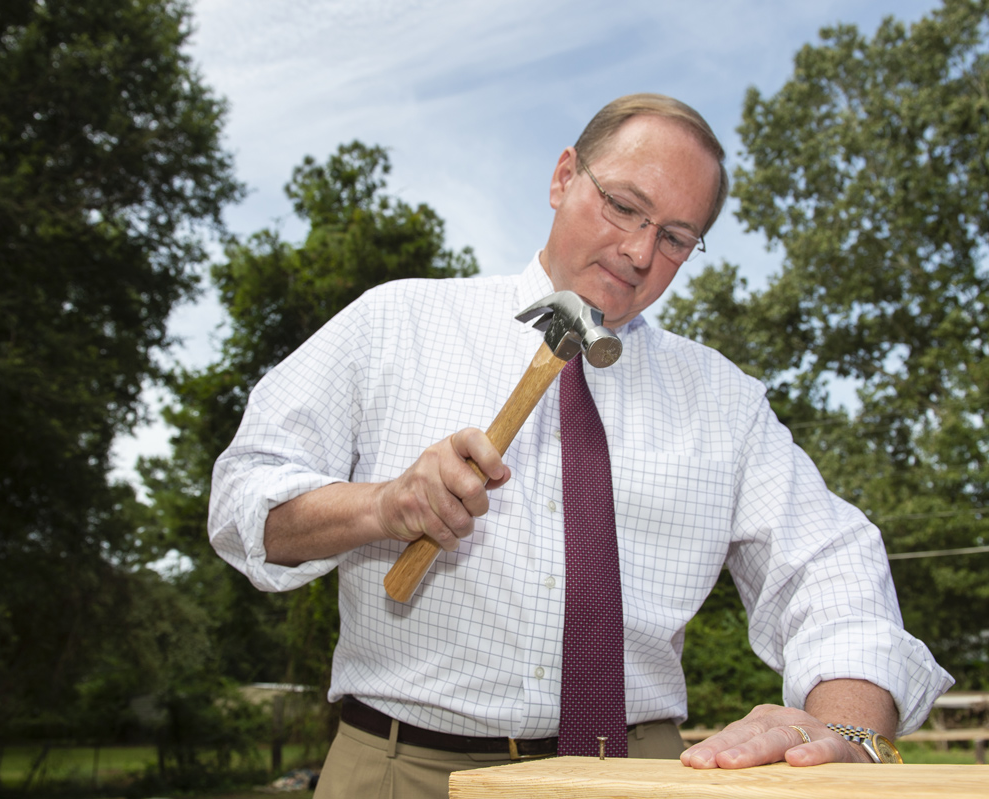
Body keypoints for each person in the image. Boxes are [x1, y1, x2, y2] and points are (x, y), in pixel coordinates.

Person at [208, 94, 952, 798]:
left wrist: (844, 726)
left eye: (674, 237)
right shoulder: (397, 323)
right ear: (564, 176)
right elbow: (247, 502)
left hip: (642, 773)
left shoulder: (724, 401)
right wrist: (380, 505)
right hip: (404, 767)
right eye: (624, 206)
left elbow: (832, 572)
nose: (637, 250)